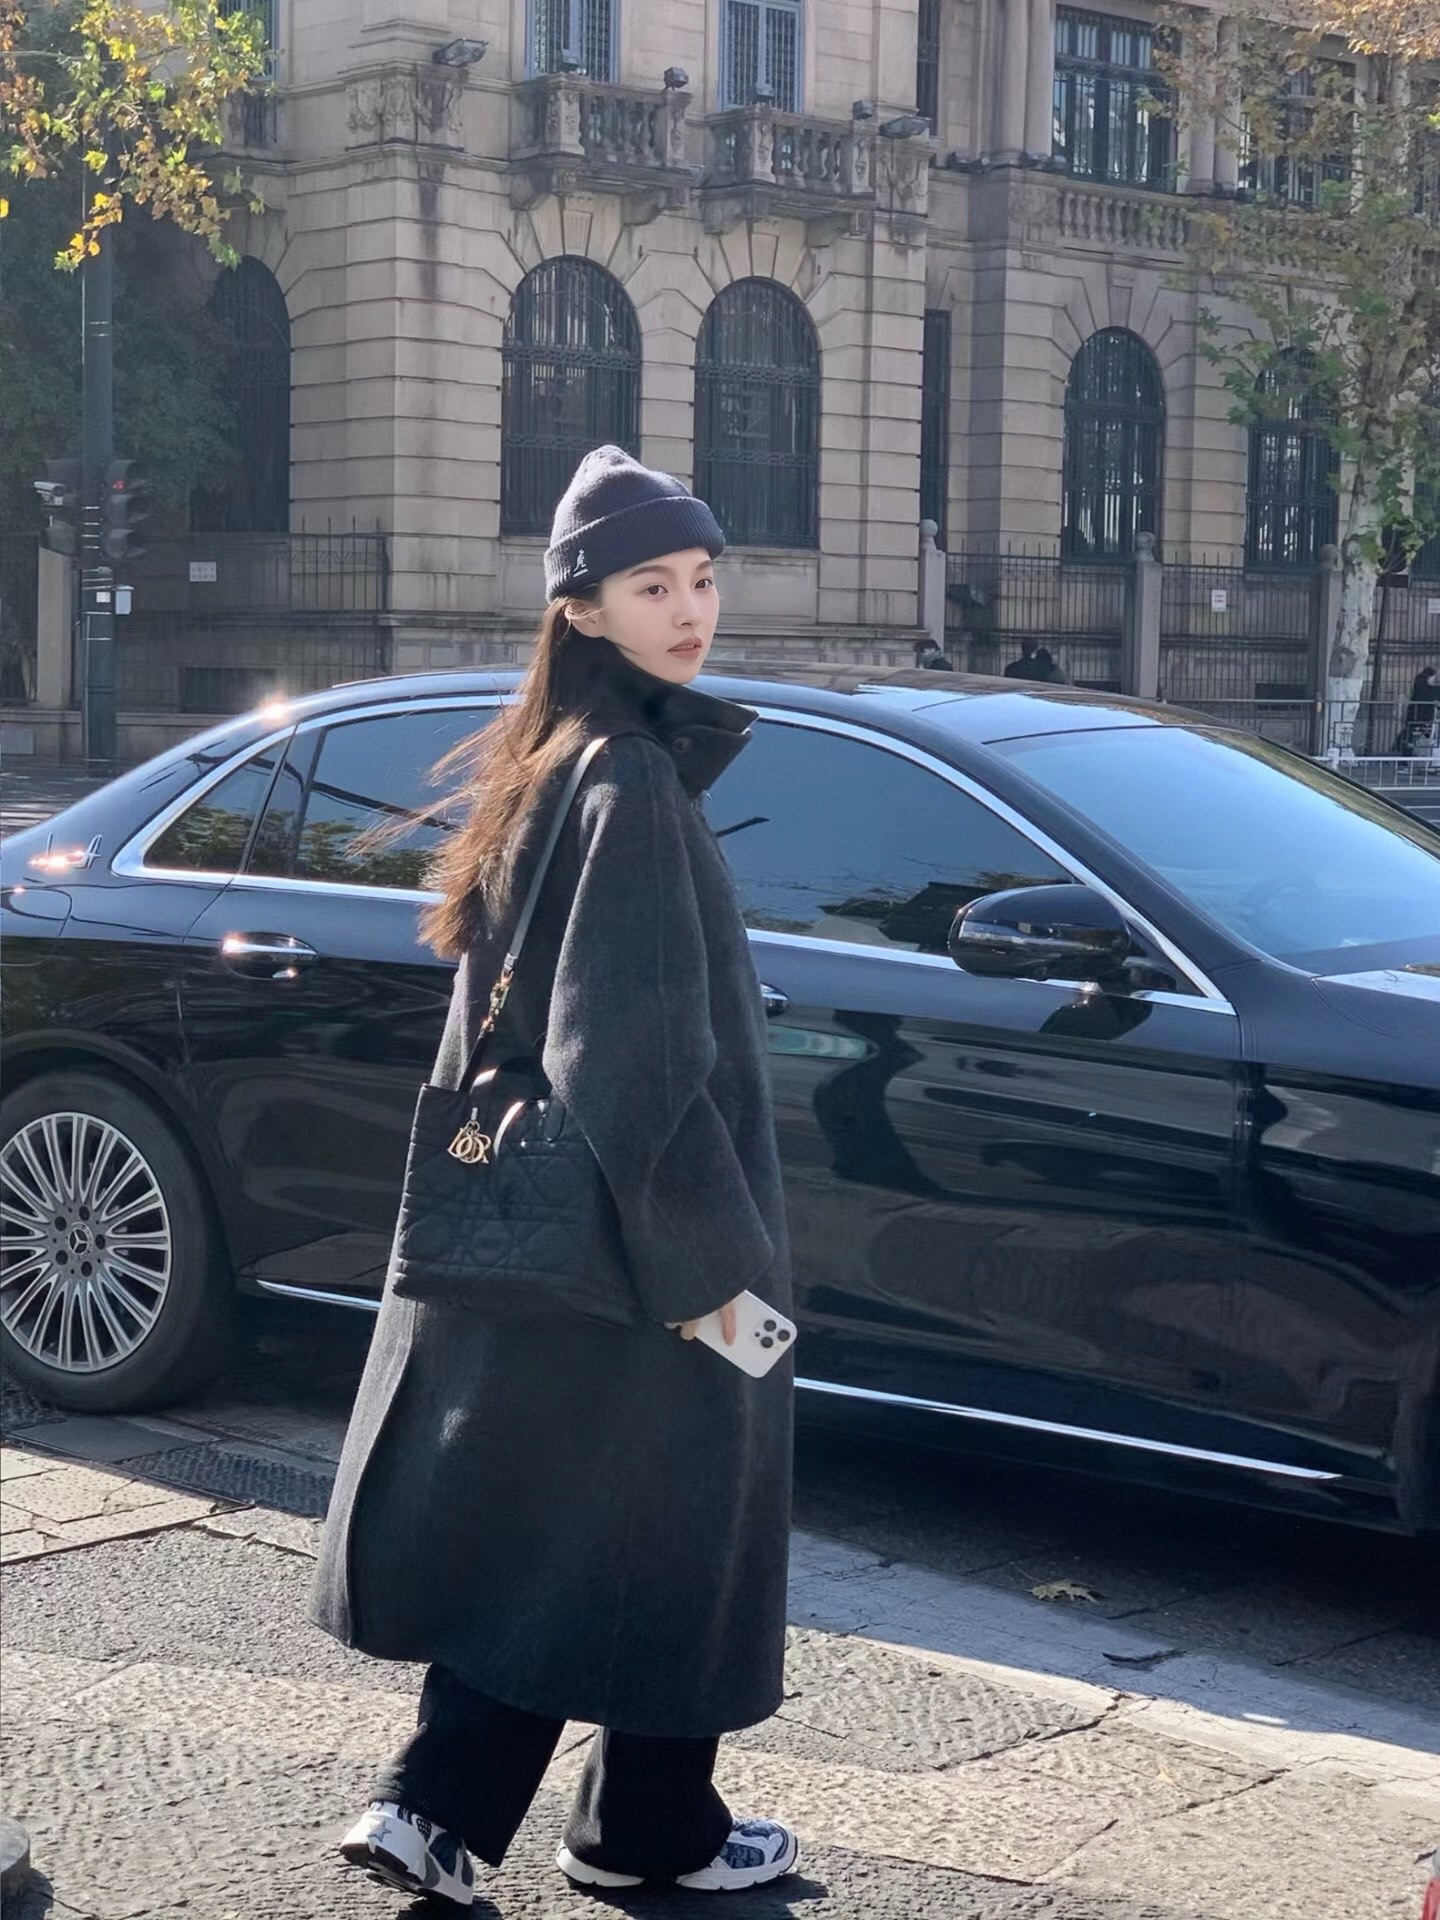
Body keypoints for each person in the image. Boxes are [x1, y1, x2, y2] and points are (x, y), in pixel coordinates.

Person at [311, 446, 800, 1908]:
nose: (691, 610)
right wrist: (717, 1279)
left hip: (560, 1228)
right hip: (648, 1236)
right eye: (653, 586)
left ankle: (528, 1814)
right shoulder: (630, 779)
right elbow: (631, 1064)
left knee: (572, 1514)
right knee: (666, 1518)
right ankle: (578, 1821)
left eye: (702, 579)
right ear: (581, 608)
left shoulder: (556, 759)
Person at [1394, 666, 1438, 755]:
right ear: (1430, 676)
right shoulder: (1421, 682)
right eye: (1434, 677)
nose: (1434, 680)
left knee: (1411, 734)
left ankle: (1398, 749)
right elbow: (1426, 695)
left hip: (1419, 715)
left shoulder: (1421, 683)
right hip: (1418, 715)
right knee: (1412, 735)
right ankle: (1402, 752)